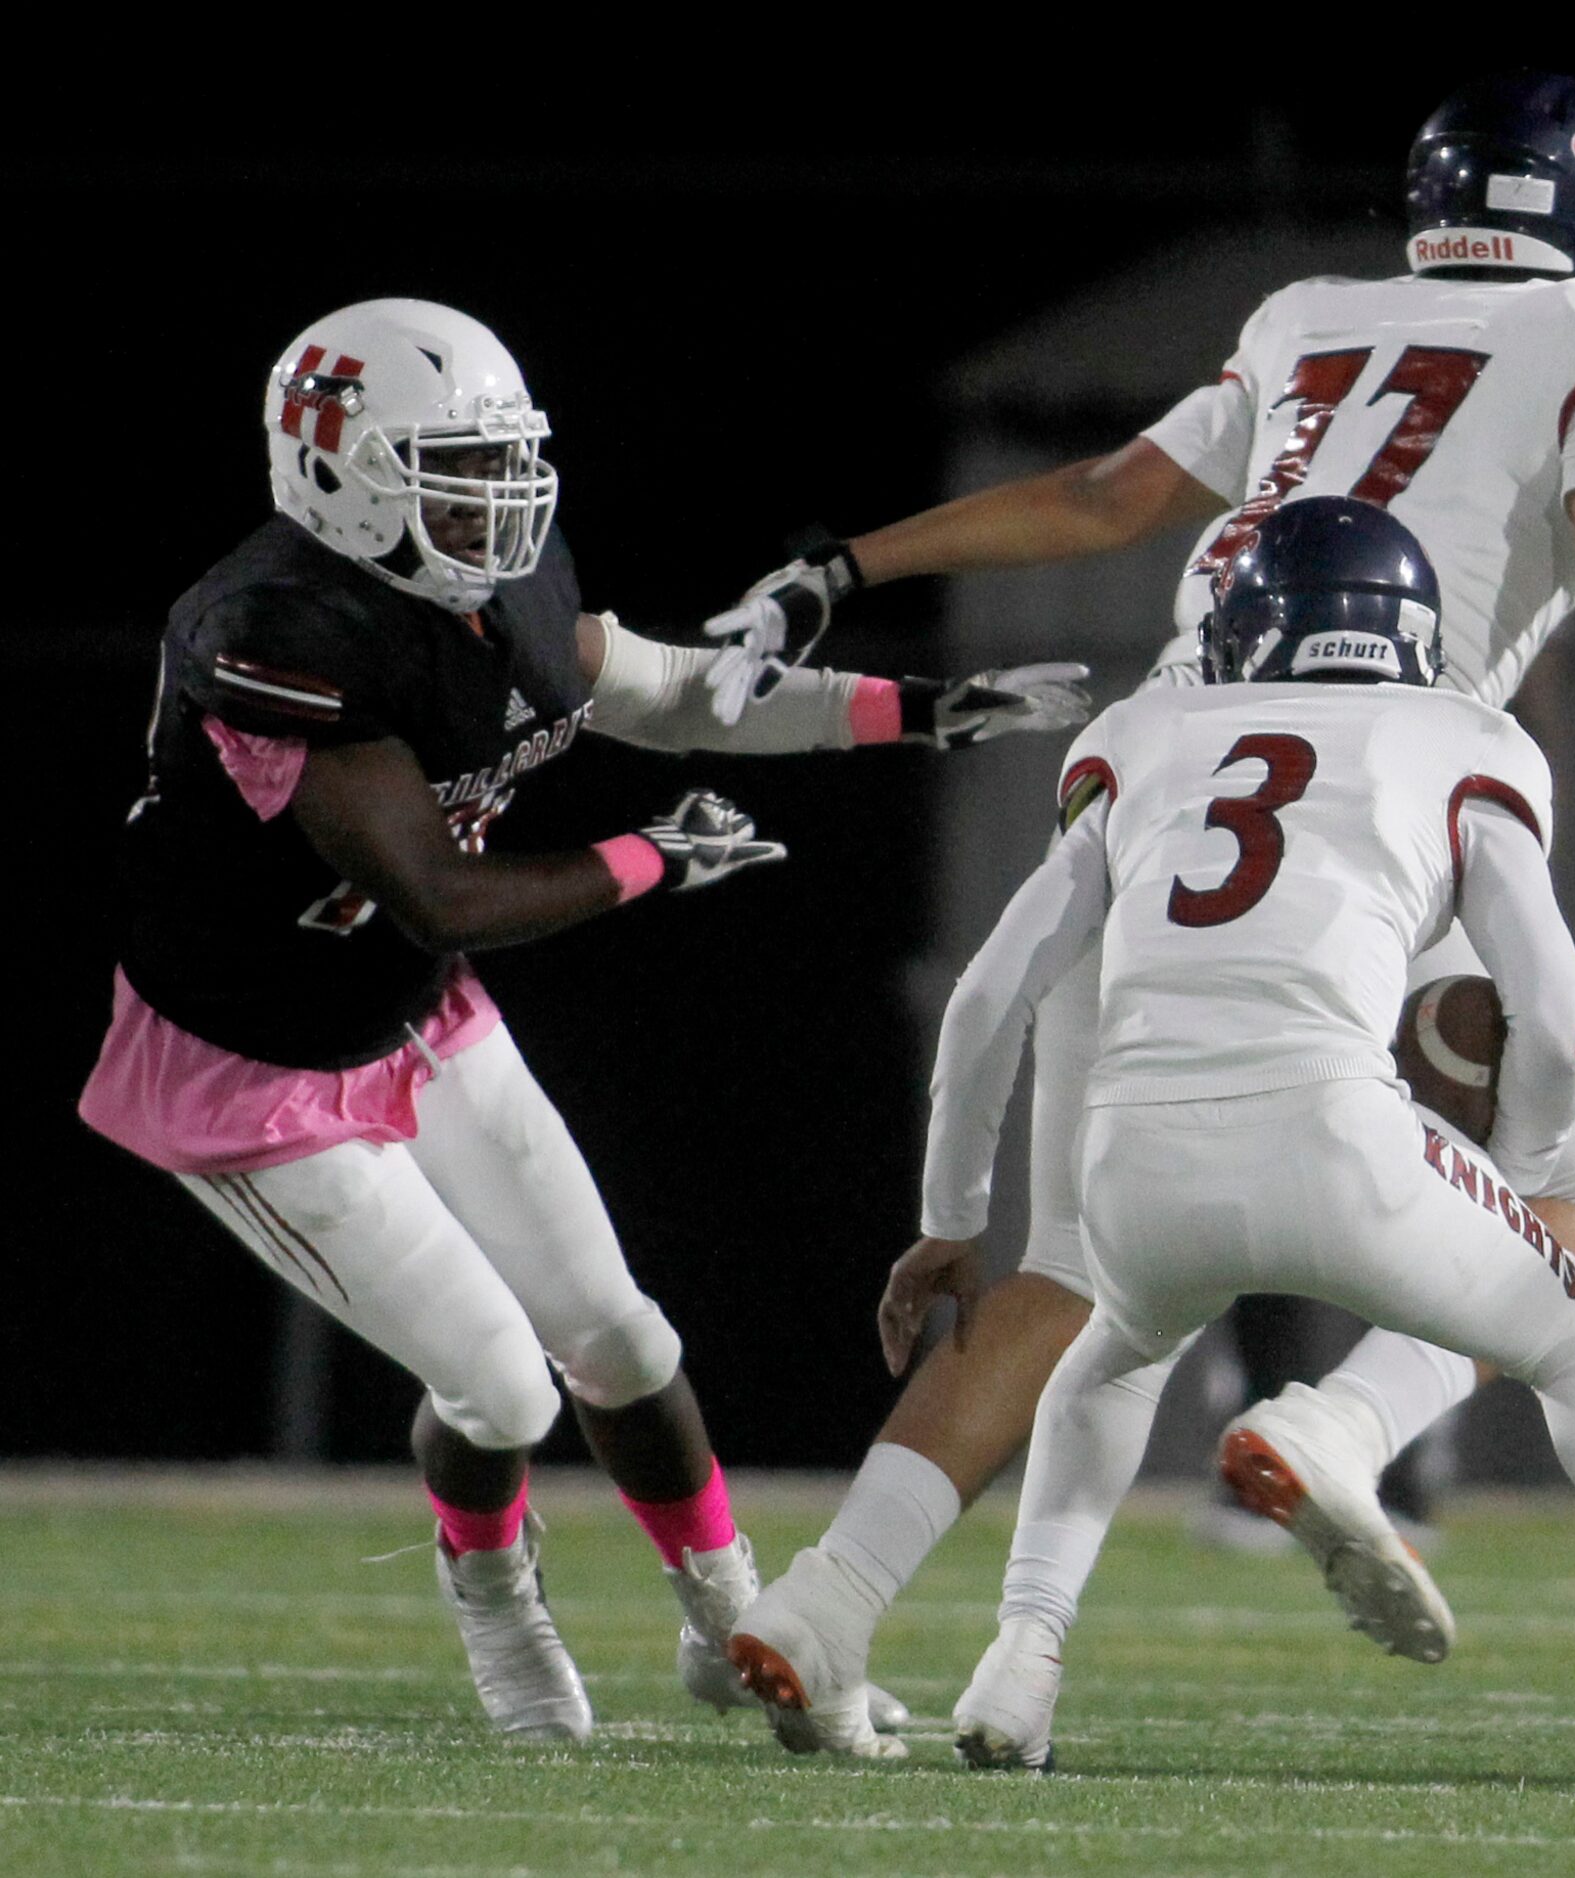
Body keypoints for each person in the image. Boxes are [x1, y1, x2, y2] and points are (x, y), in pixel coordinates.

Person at [704, 73, 1575, 1757]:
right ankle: (1347, 1420)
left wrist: (838, 569)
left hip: (1166, 749)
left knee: (1073, 1257)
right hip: (1402, 759)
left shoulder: (1310, 309)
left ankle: (839, 1599)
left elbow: (1103, 500)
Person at [75, 297, 1087, 1745]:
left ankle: (730, 1613)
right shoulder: (279, 630)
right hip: (256, 1064)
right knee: (495, 1386)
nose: (501, 505)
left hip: (411, 1014)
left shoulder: (497, 581)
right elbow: (437, 891)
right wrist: (650, 859)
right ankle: (497, 1603)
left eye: (505, 466)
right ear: (342, 475)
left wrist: (911, 711)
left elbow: (675, 692)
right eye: (456, 471)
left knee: (619, 1333)